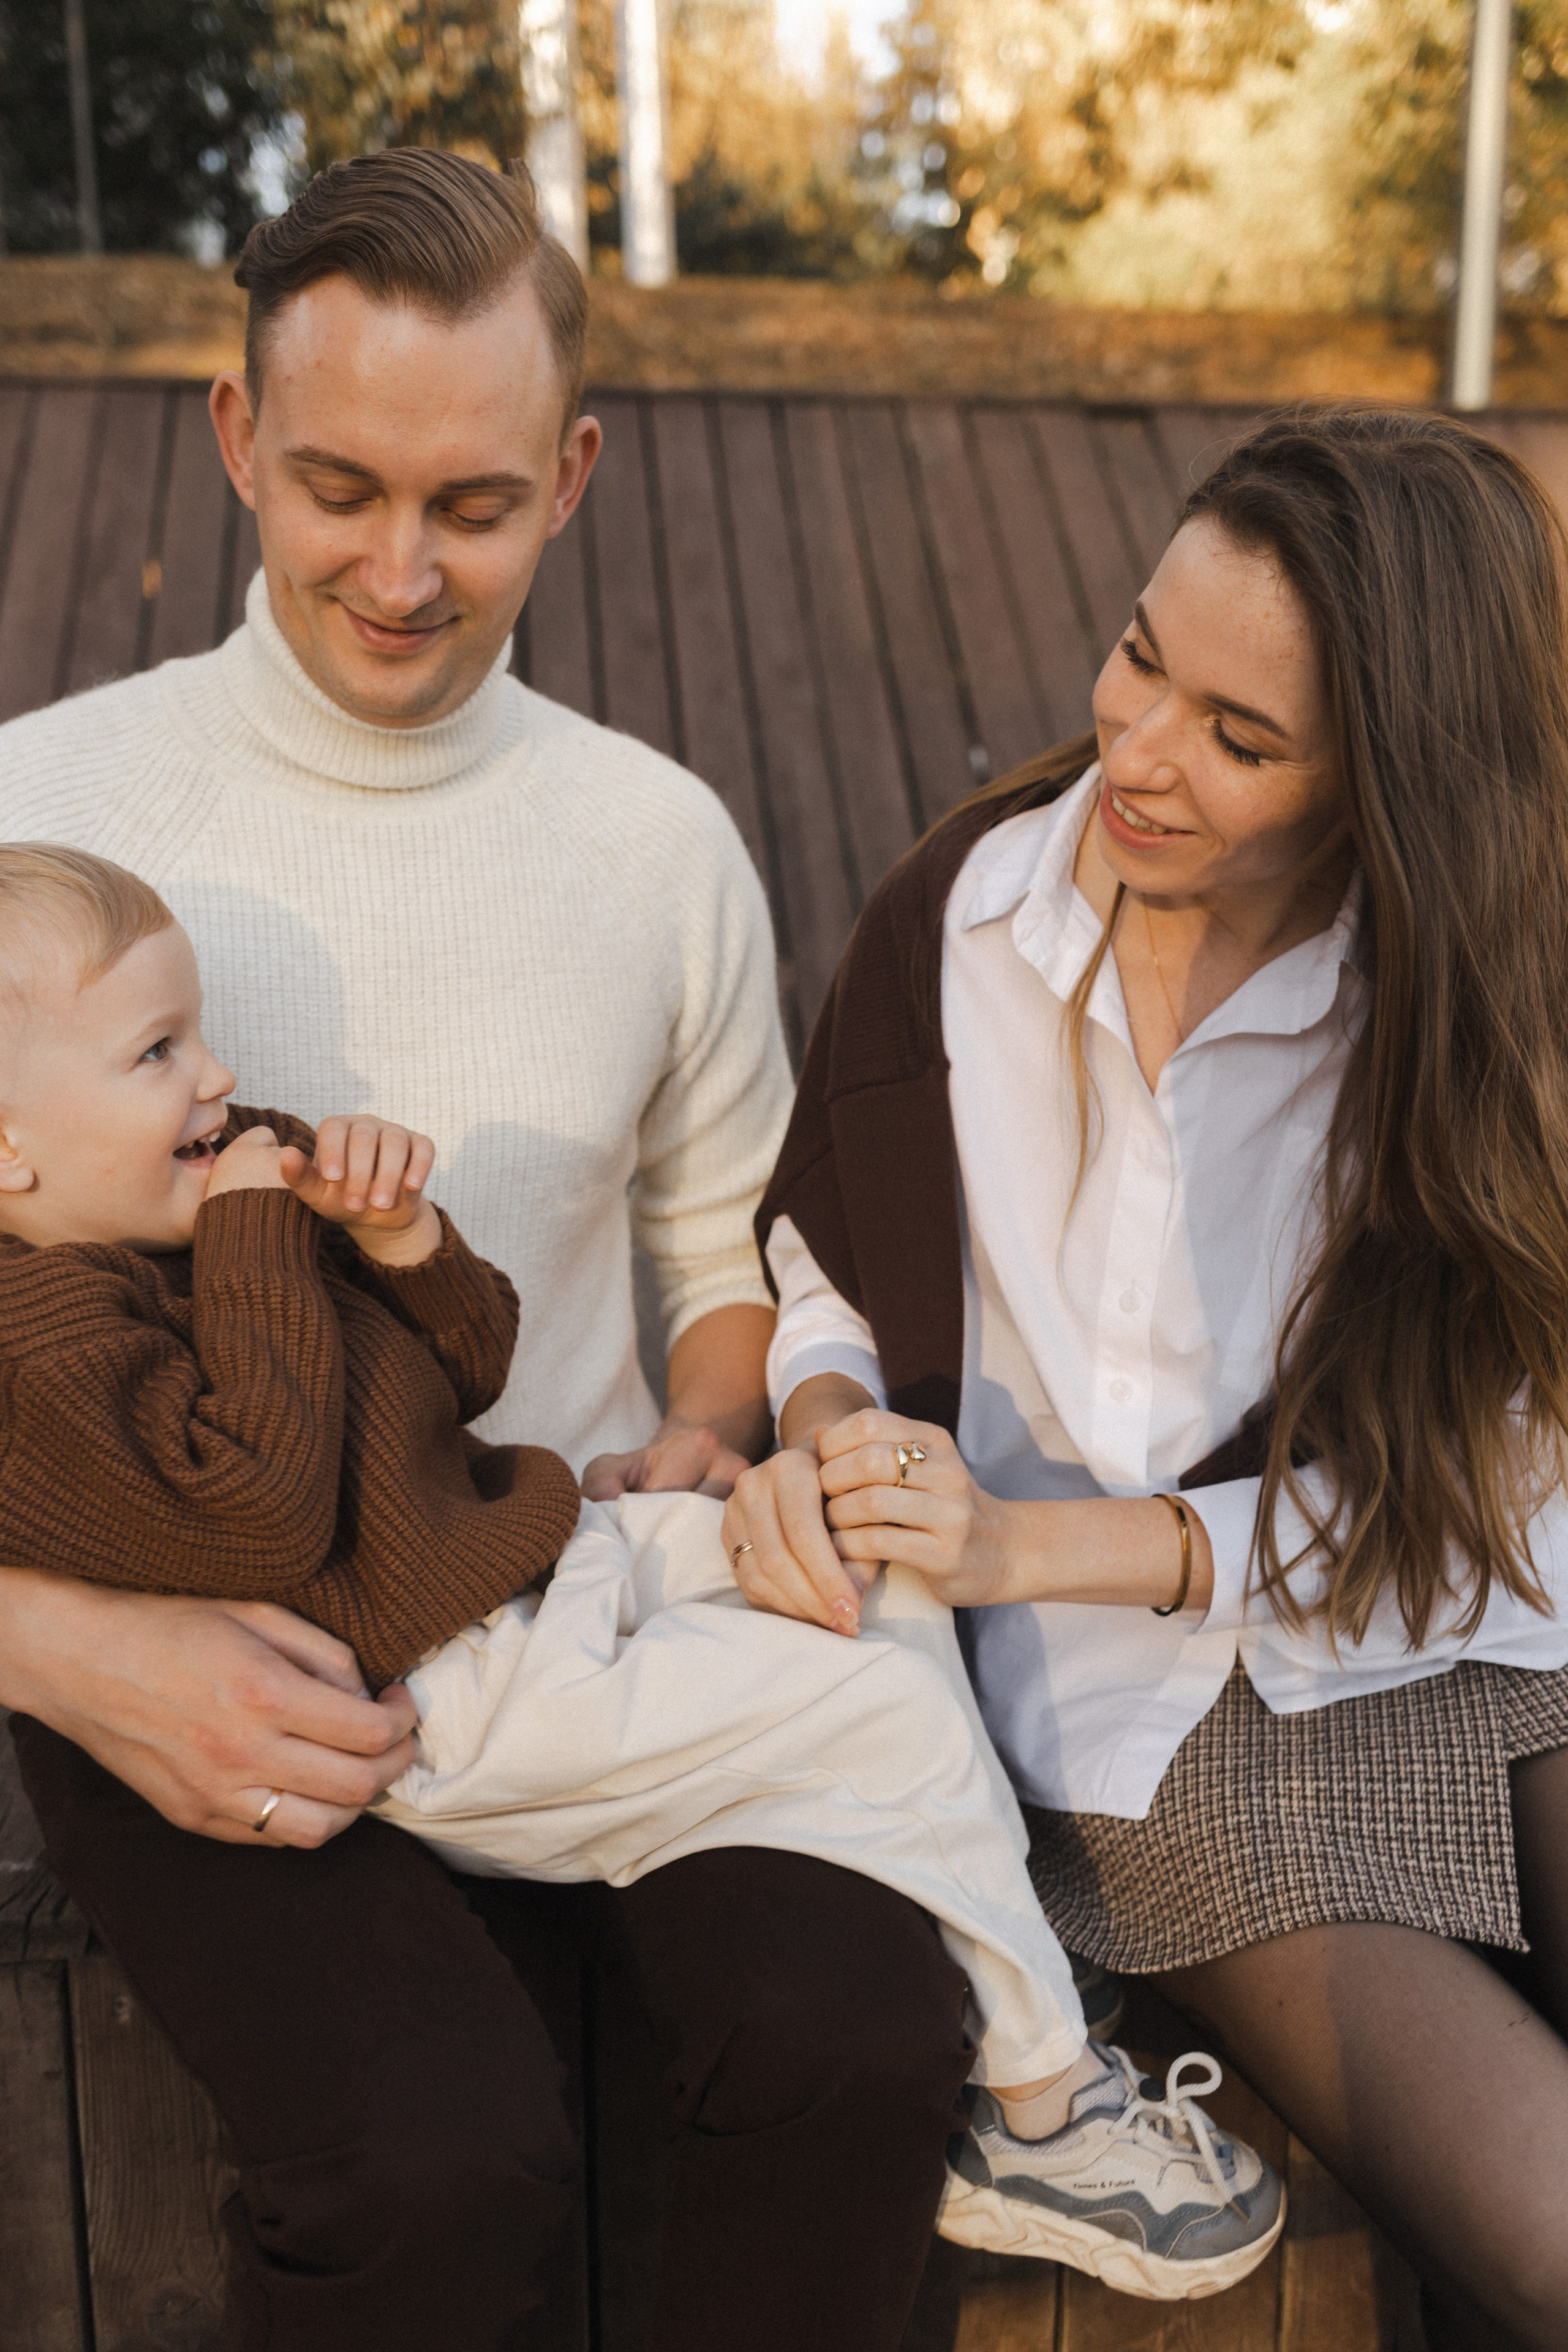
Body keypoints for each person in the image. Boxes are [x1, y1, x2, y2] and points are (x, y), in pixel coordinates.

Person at [0, 151, 955, 2352]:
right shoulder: (53, 818)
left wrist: (714, 1430)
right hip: (203, 1628)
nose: (403, 573)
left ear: (578, 473)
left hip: (572, 1590)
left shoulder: (660, 841)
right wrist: (56, 1652)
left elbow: (727, 1249)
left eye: (478, 506)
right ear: (235, 435)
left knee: (861, 2034)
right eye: (339, 487)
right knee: (431, 2165)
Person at [0, 839, 1284, 2304]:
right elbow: (259, 1516)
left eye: (205, 1030)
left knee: (864, 1589)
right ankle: (1045, 2093)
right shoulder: (51, 1333)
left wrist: (399, 1241)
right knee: (866, 1718)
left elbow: (468, 1370)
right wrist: (253, 1243)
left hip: (540, 1563)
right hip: (432, 1689)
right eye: (160, 1051)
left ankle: (981, 1936)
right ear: (9, 1150)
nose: (220, 1077)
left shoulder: (210, 1209)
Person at [723, 407, 1568, 2352]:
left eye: (1239, 738)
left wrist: (1053, 1545)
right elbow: (827, 1261)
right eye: (1136, 655)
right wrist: (835, 1429)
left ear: (1395, 788)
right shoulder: (959, 918)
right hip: (1160, 1742)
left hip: (1459, 1622)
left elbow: (1512, 1513)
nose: (1137, 749)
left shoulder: (1467, 1010)